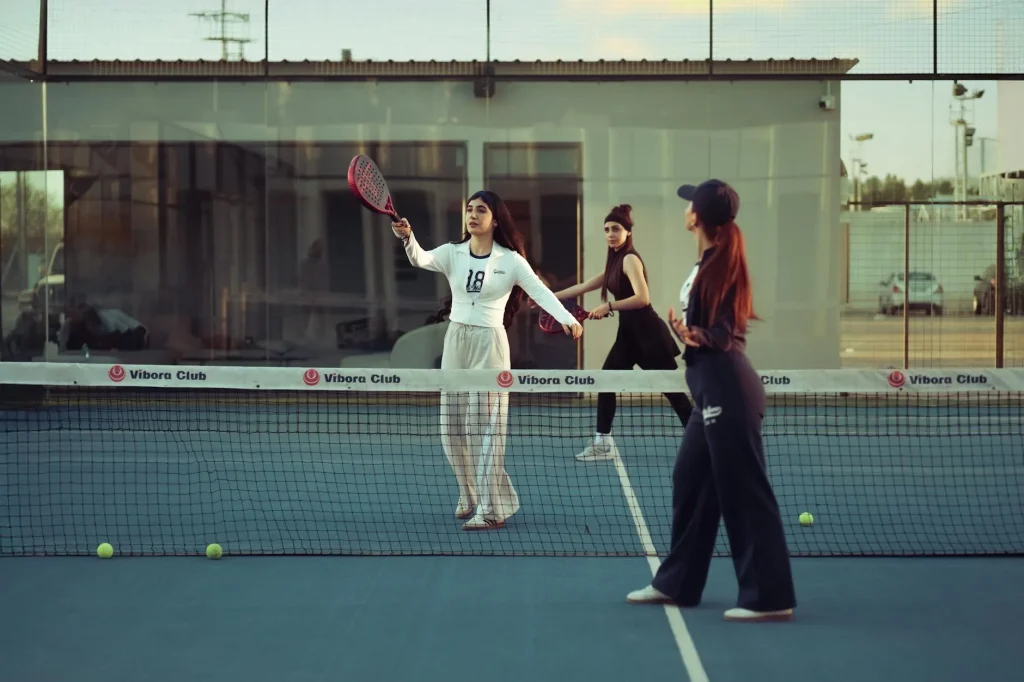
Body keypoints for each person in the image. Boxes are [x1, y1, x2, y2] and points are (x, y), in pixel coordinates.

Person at [626, 179, 797, 622]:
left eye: (689, 205)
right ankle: (677, 584)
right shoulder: (705, 263)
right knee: (689, 479)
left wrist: (691, 334)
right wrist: (690, 332)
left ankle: (769, 597)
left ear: (698, 216)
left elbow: (725, 334)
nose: (684, 210)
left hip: (728, 390)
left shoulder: (724, 266)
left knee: (744, 493)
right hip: (708, 391)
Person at [392, 190, 583, 531]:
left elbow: (540, 293)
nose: (473, 215)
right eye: (469, 209)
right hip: (456, 340)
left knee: (485, 428)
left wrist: (567, 318)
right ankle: (469, 492)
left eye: (481, 210)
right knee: (449, 427)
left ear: (496, 220)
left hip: (490, 344)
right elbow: (420, 258)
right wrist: (409, 238)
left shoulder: (511, 261)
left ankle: (493, 508)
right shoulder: (452, 253)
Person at [551, 204, 693, 462]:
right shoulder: (614, 262)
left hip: (649, 336)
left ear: (628, 232)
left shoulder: (630, 259)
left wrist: (609, 305)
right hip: (628, 337)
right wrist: (545, 298)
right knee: (607, 382)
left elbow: (643, 298)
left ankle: (701, 439)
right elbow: (584, 286)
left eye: (616, 229)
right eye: (606, 229)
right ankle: (602, 442)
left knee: (674, 393)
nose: (610, 233)